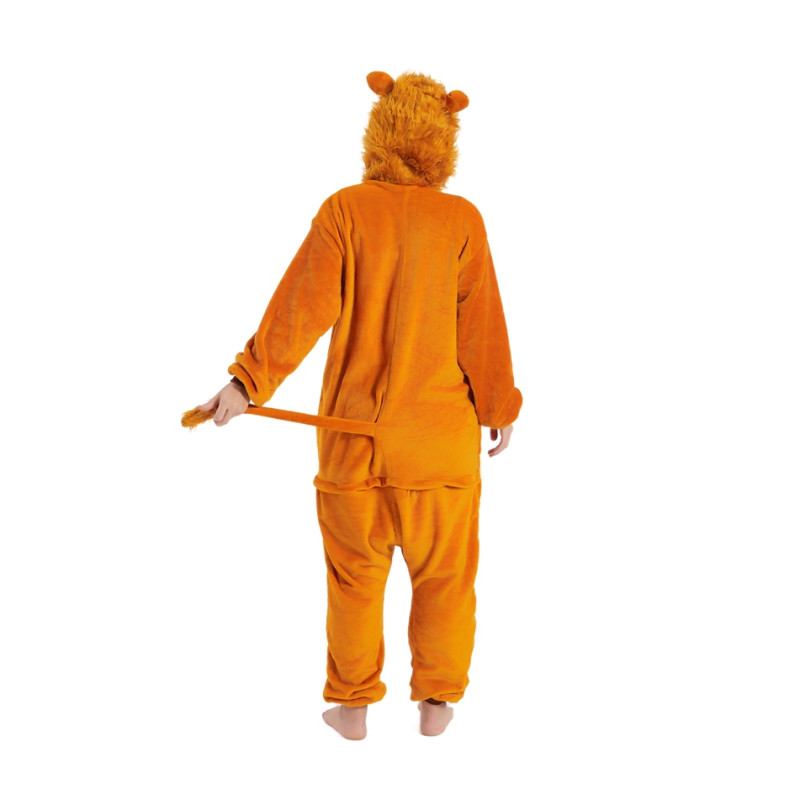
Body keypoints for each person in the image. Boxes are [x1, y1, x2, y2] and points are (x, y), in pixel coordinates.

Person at [195, 71, 522, 739]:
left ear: (380, 127)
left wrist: (246, 384)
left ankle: (350, 708)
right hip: (439, 447)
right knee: (446, 580)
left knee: (353, 581)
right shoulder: (461, 220)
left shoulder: (346, 210)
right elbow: (482, 327)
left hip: (354, 442)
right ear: (445, 136)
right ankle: (436, 704)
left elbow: (299, 309)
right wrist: (498, 405)